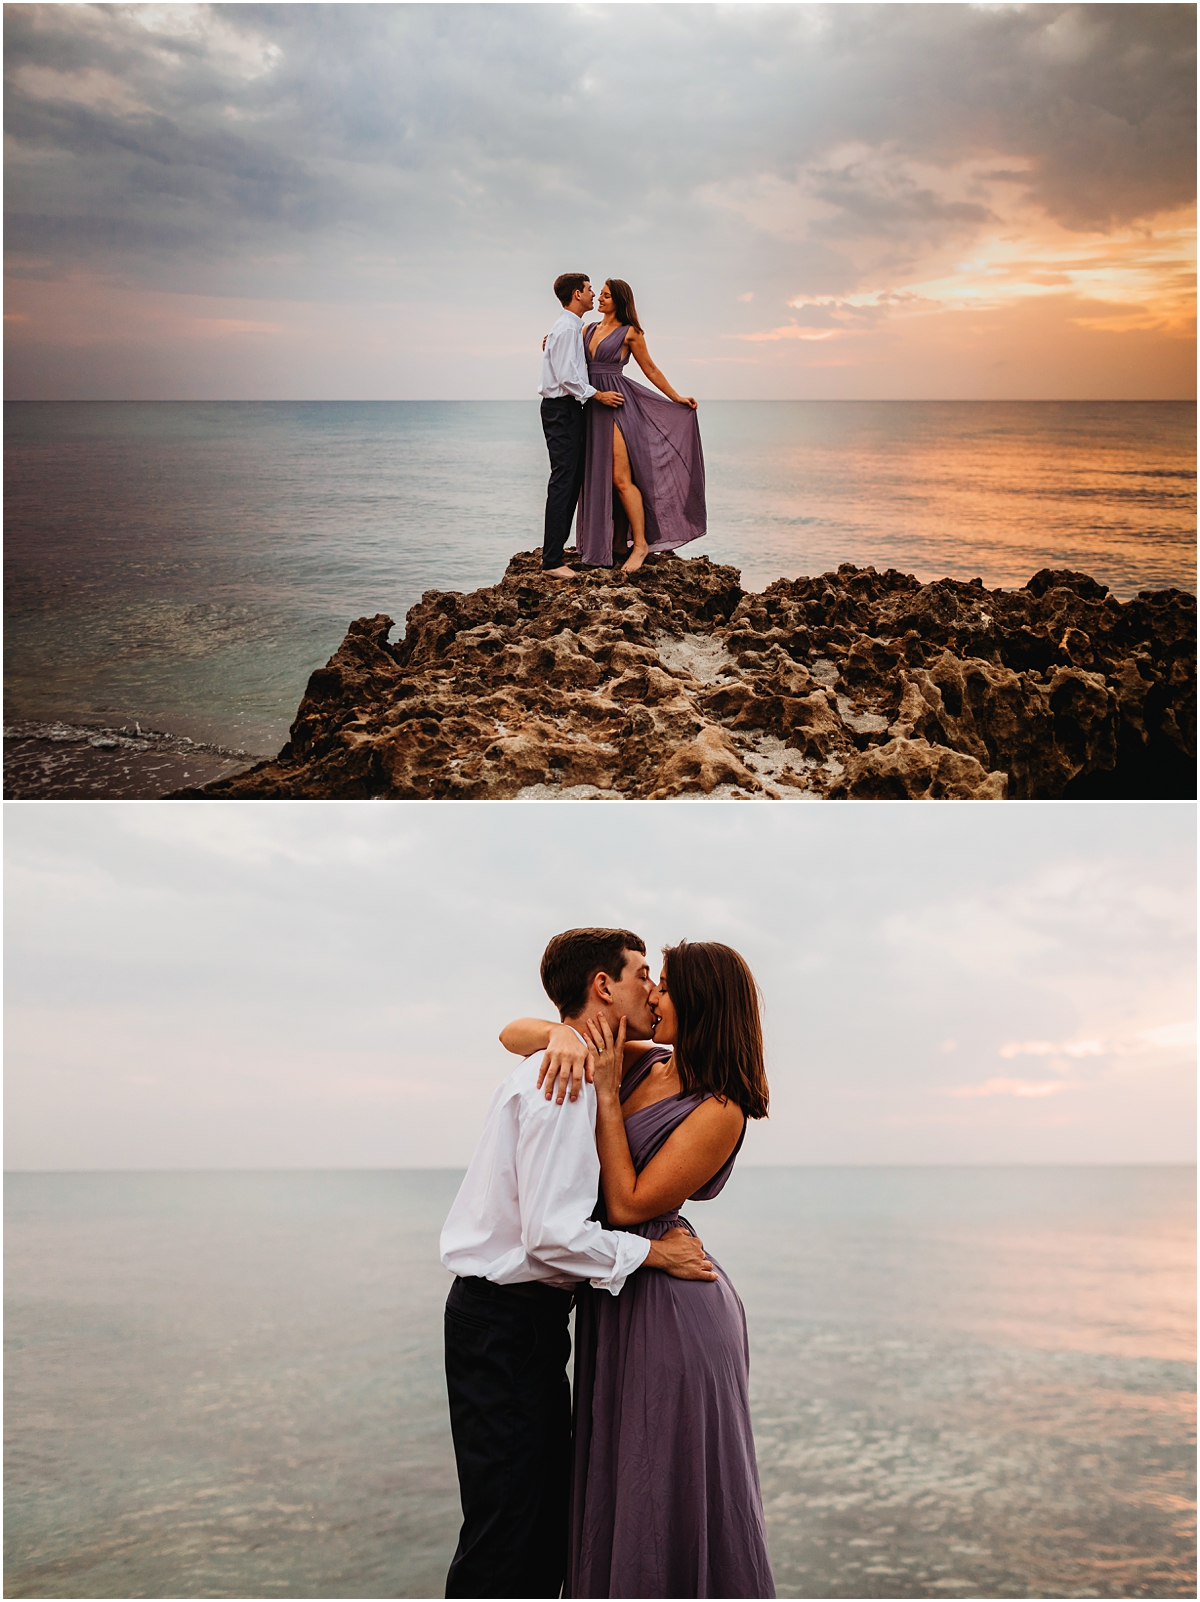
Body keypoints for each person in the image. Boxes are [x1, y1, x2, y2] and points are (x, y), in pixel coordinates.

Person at [439, 928, 718, 1600]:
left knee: (524, 1527)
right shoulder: (565, 1080)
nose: (650, 988)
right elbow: (550, 1237)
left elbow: (516, 1030)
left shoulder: (590, 1058)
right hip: (508, 1324)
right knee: (511, 1540)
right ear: (603, 986)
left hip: (510, 1325)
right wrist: (655, 1253)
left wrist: (555, 1032)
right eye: (641, 975)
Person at [499, 939, 776, 1599]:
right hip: (619, 1286)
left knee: (661, 1478)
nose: (652, 994)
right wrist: (564, 1037)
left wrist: (599, 1094)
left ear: (702, 1002)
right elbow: (511, 1034)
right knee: (623, 1472)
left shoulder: (720, 1108)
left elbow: (625, 1204)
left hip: (671, 1304)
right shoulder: (645, 1060)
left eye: (667, 986)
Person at [577, 278, 707, 574]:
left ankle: (641, 545)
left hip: (618, 406)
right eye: (600, 295)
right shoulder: (588, 329)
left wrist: (675, 397)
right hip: (590, 405)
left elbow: (650, 368)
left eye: (606, 296)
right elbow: (569, 358)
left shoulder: (631, 332)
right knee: (599, 478)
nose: (600, 299)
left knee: (621, 479)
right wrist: (549, 341)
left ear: (619, 301)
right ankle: (615, 543)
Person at [537, 275, 626, 580]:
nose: (593, 295)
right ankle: (551, 560)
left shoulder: (572, 329)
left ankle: (556, 553)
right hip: (562, 410)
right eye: (590, 290)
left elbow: (567, 364)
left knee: (571, 481)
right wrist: (597, 394)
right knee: (564, 481)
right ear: (577, 294)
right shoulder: (565, 328)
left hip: (568, 409)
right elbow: (566, 376)